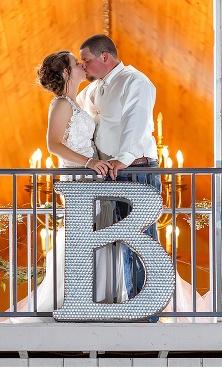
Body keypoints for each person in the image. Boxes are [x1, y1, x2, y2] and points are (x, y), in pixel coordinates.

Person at [0, 50, 126, 322]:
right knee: (82, 236)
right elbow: (53, 144)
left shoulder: (74, 103)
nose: (81, 65)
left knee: (96, 235)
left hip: (91, 177)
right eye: (75, 63)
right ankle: (72, 298)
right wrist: (89, 162)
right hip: (77, 178)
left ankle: (95, 296)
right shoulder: (61, 104)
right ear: (67, 72)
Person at [76, 34, 162, 312]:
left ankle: (147, 309)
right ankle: (127, 303)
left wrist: (122, 160)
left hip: (136, 169)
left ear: (105, 56)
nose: (83, 66)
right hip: (107, 173)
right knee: (118, 242)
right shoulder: (91, 90)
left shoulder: (135, 81)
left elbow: (136, 122)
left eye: (86, 60)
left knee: (141, 241)